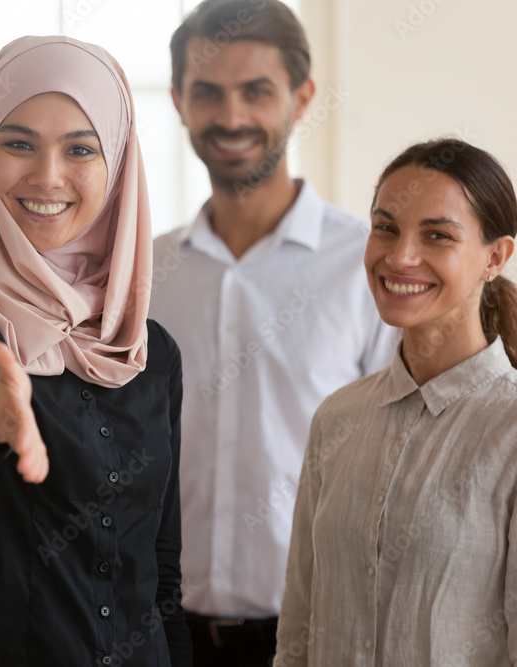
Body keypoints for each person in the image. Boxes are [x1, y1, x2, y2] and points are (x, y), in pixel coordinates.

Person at [0, 35, 190, 666]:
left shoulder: (148, 351)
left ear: (120, 165)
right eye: (18, 142)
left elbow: (159, 568)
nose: (46, 176)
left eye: (81, 148)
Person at [148, 1, 399, 664]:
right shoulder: (143, 273)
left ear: (302, 96)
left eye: (256, 91)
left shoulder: (369, 267)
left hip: (320, 636)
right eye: (208, 93)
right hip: (159, 636)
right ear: (179, 101)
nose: (231, 118)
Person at [275, 138, 517, 664]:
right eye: (386, 228)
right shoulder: (337, 417)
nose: (400, 257)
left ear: (494, 257)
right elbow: (297, 627)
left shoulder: (509, 430)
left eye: (437, 235)